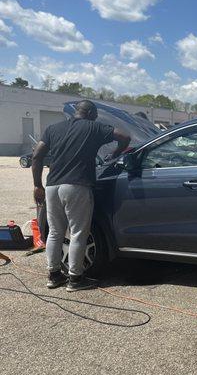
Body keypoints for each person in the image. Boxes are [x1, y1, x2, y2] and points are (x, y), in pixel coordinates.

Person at [32, 100, 130, 291]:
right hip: (77, 186)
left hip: (52, 186)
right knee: (78, 232)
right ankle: (75, 279)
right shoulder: (94, 127)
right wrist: (117, 152)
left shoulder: (53, 128)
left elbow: (36, 155)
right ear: (91, 113)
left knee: (55, 232)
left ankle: (53, 276)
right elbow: (124, 136)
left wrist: (37, 185)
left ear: (76, 111)